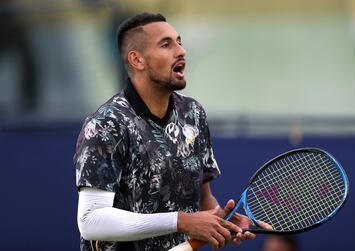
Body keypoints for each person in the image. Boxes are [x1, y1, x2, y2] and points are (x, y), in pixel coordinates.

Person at [74, 12, 270, 251]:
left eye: (179, 42)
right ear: (137, 60)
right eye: (166, 44)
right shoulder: (106, 124)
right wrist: (182, 221)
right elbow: (91, 222)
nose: (181, 51)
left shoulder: (193, 113)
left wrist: (220, 221)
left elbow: (202, 198)